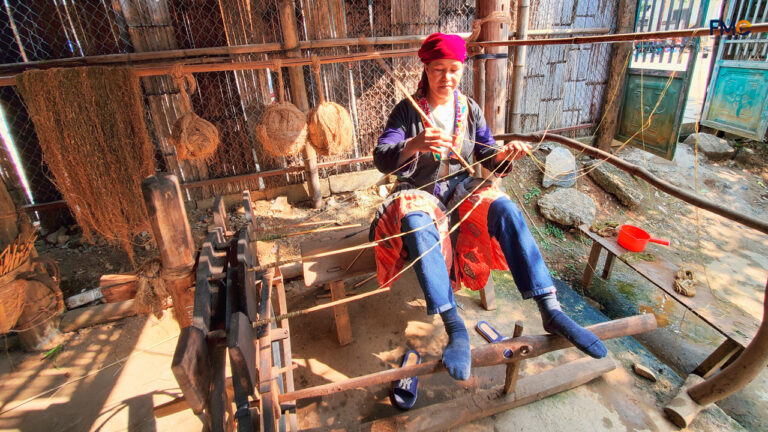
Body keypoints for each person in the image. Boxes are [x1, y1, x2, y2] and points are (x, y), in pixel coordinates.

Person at [370, 33, 607, 381]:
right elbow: (382, 157)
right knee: (418, 220)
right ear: (426, 68)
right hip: (421, 194)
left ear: (461, 69)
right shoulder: (408, 109)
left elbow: (488, 156)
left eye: (454, 70)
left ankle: (550, 308)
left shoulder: (468, 108)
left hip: (460, 193)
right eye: (439, 70)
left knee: (504, 207)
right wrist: (414, 144)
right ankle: (456, 329)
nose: (447, 78)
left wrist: (503, 154)